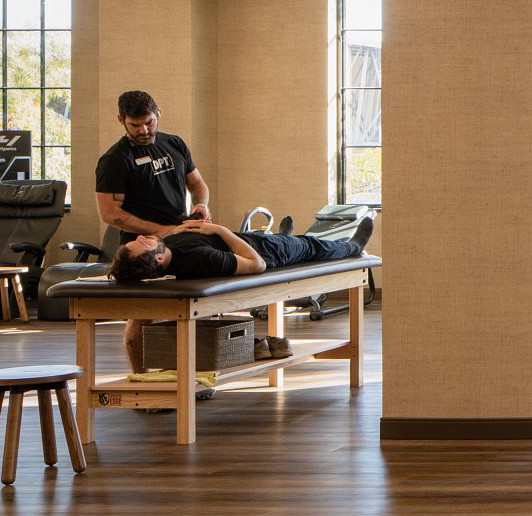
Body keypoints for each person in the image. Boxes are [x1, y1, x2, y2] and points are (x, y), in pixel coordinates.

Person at [94, 90, 212, 371]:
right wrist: (161, 230)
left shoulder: (174, 143)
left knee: (191, 307)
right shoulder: (114, 160)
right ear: (121, 120)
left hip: (181, 236)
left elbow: (198, 184)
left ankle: (184, 375)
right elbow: (110, 214)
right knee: (143, 313)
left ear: (158, 114)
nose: (143, 130)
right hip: (141, 245)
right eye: (135, 125)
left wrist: (201, 206)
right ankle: (141, 379)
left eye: (148, 122)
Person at [109, 218, 365, 284]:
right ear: (159, 258)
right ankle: (353, 247)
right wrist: (219, 230)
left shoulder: (169, 252)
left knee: (273, 236)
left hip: (255, 240)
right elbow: (257, 265)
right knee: (311, 245)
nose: (143, 236)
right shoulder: (202, 259)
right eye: (143, 243)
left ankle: (282, 235)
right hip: (269, 253)